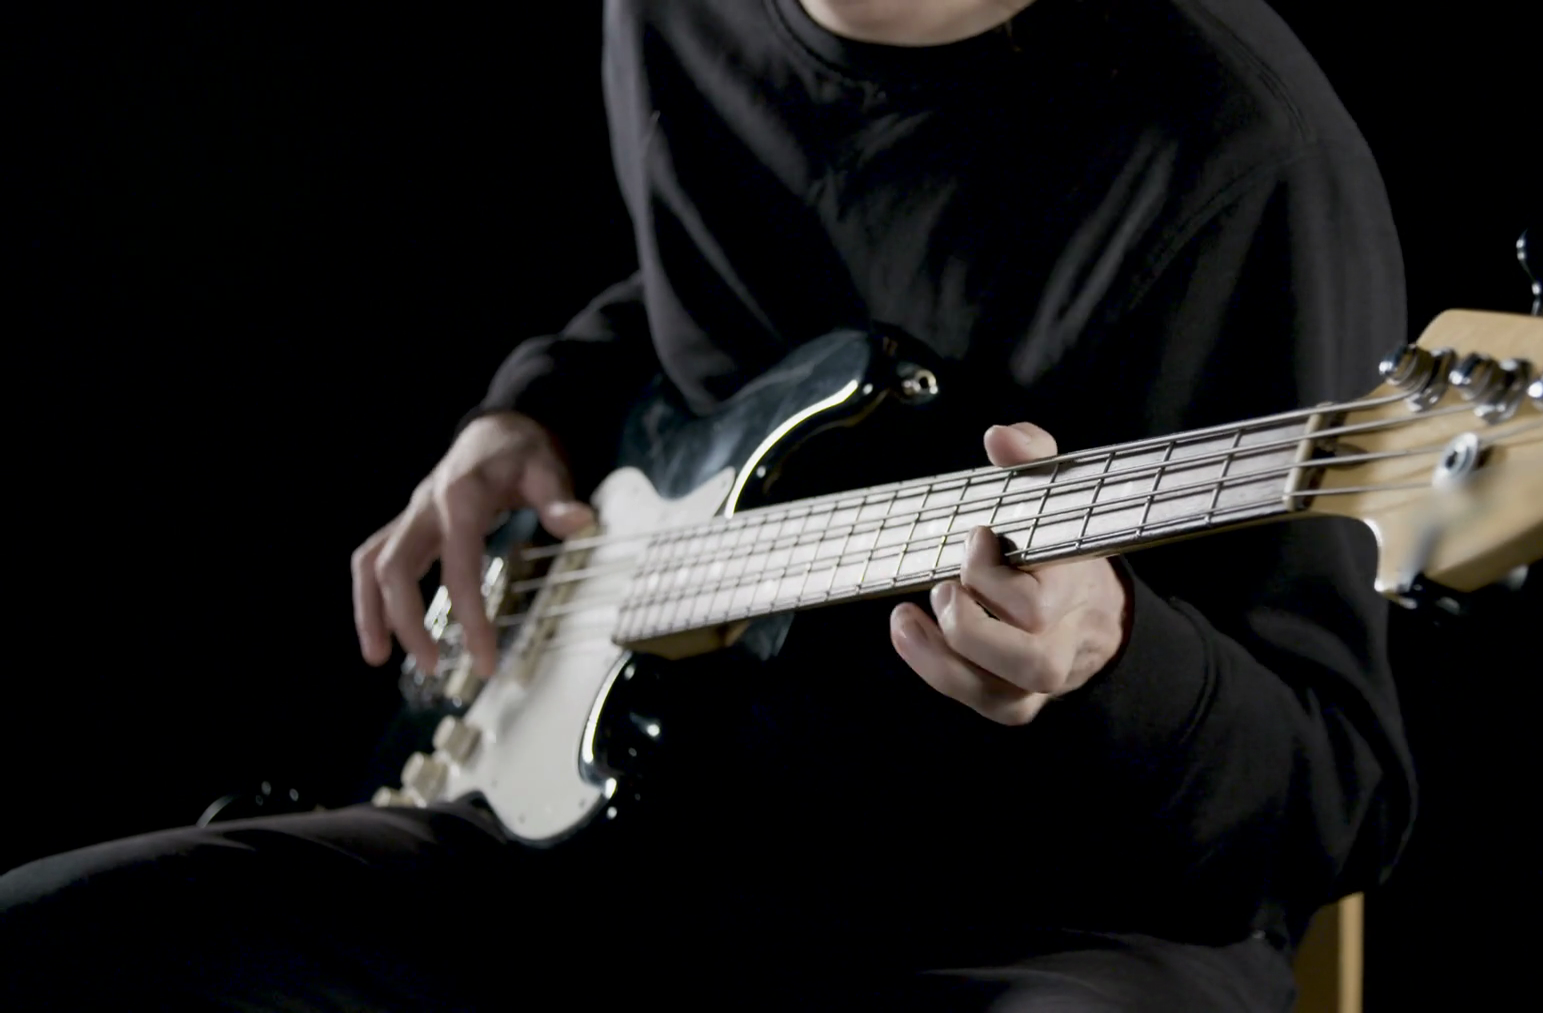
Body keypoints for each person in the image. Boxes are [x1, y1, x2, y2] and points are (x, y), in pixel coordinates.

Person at [1, 1, 1414, 1008]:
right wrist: (533, 411)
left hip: (1020, 915)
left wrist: (1113, 661)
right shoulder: (671, 17)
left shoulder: (1241, 150)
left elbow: (1330, 803)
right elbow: (705, 308)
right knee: (60, 941)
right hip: (632, 831)